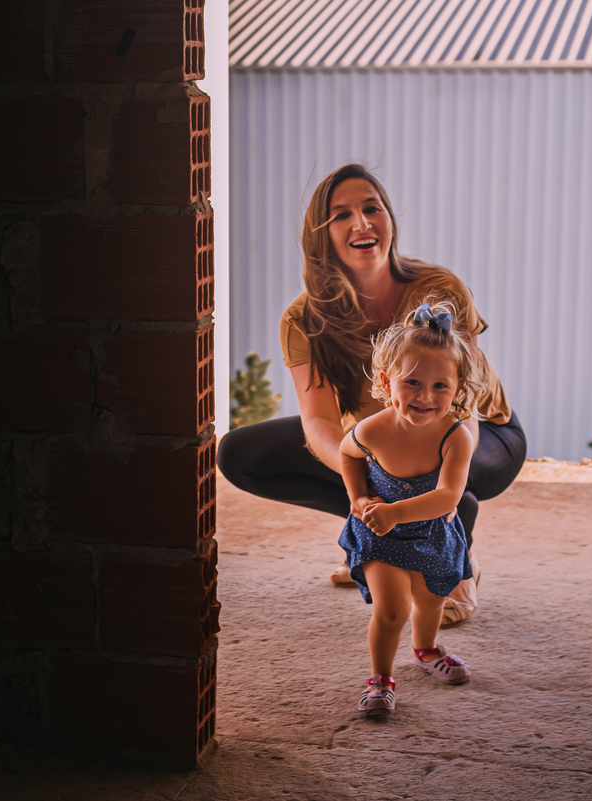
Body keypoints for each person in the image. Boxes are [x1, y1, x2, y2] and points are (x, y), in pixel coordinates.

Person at [217, 164, 526, 626]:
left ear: (389, 221)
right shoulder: (304, 319)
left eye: (371, 208)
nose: (361, 223)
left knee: (448, 494)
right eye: (341, 215)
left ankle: (453, 552)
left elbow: (464, 406)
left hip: (480, 433)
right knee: (240, 453)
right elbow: (320, 424)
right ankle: (381, 538)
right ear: (322, 238)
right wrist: (363, 489)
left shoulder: (439, 290)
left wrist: (435, 477)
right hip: (384, 442)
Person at [341, 299, 480, 716]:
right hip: (380, 533)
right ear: (387, 380)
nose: (426, 396)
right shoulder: (372, 430)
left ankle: (425, 649)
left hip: (432, 531)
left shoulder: (456, 437)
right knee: (393, 608)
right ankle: (380, 678)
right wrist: (359, 498)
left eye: (441, 386)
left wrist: (397, 512)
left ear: (457, 389)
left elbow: (448, 497)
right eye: (412, 383)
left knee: (432, 597)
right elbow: (348, 455)